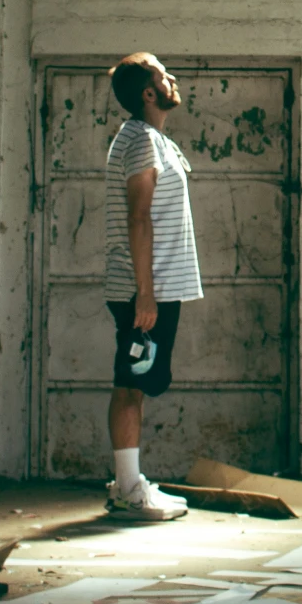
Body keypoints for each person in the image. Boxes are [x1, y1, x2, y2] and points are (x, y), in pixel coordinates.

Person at [102, 52, 201, 520]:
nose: (172, 79)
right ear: (149, 93)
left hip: (156, 287)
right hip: (146, 290)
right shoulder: (141, 141)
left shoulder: (153, 140)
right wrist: (146, 293)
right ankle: (126, 490)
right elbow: (138, 217)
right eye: (163, 75)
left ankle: (132, 483)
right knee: (130, 382)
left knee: (138, 383)